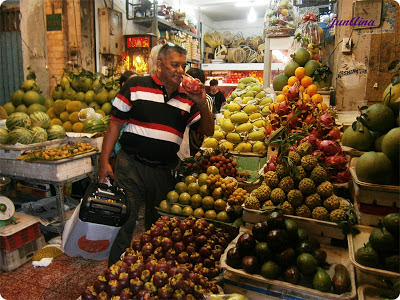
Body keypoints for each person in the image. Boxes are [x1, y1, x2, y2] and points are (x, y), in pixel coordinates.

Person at [98, 43, 214, 267]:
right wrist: (104, 162)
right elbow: (114, 126)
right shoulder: (135, 86)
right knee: (124, 221)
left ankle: (151, 271)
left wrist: (202, 103)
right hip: (130, 165)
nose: (180, 70)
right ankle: (114, 272)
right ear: (159, 65)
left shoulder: (188, 97)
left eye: (183, 65)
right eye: (174, 65)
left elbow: (207, 131)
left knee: (158, 227)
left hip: (163, 171)